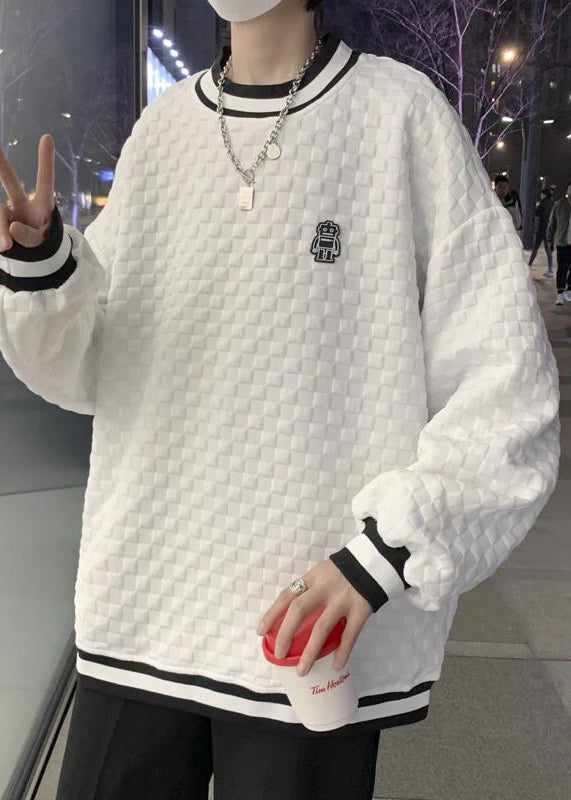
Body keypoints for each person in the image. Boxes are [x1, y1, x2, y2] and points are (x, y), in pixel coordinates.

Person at [0, 0, 560, 798]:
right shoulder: (163, 131)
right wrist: (44, 265)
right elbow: (88, 372)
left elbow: (506, 387)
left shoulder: (399, 115)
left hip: (308, 621)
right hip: (142, 602)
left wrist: (385, 553)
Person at [546, 180, 571, 305]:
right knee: (562, 268)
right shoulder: (560, 204)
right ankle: (560, 293)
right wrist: (550, 240)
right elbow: (552, 224)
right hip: (562, 243)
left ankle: (569, 290)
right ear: (568, 191)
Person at [528, 185, 555, 276]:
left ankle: (529, 265)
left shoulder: (543, 202)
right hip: (549, 229)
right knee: (548, 250)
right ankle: (550, 269)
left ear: (544, 194)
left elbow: (537, 213)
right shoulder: (552, 202)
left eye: (541, 194)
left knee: (535, 248)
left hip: (541, 228)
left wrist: (534, 207)